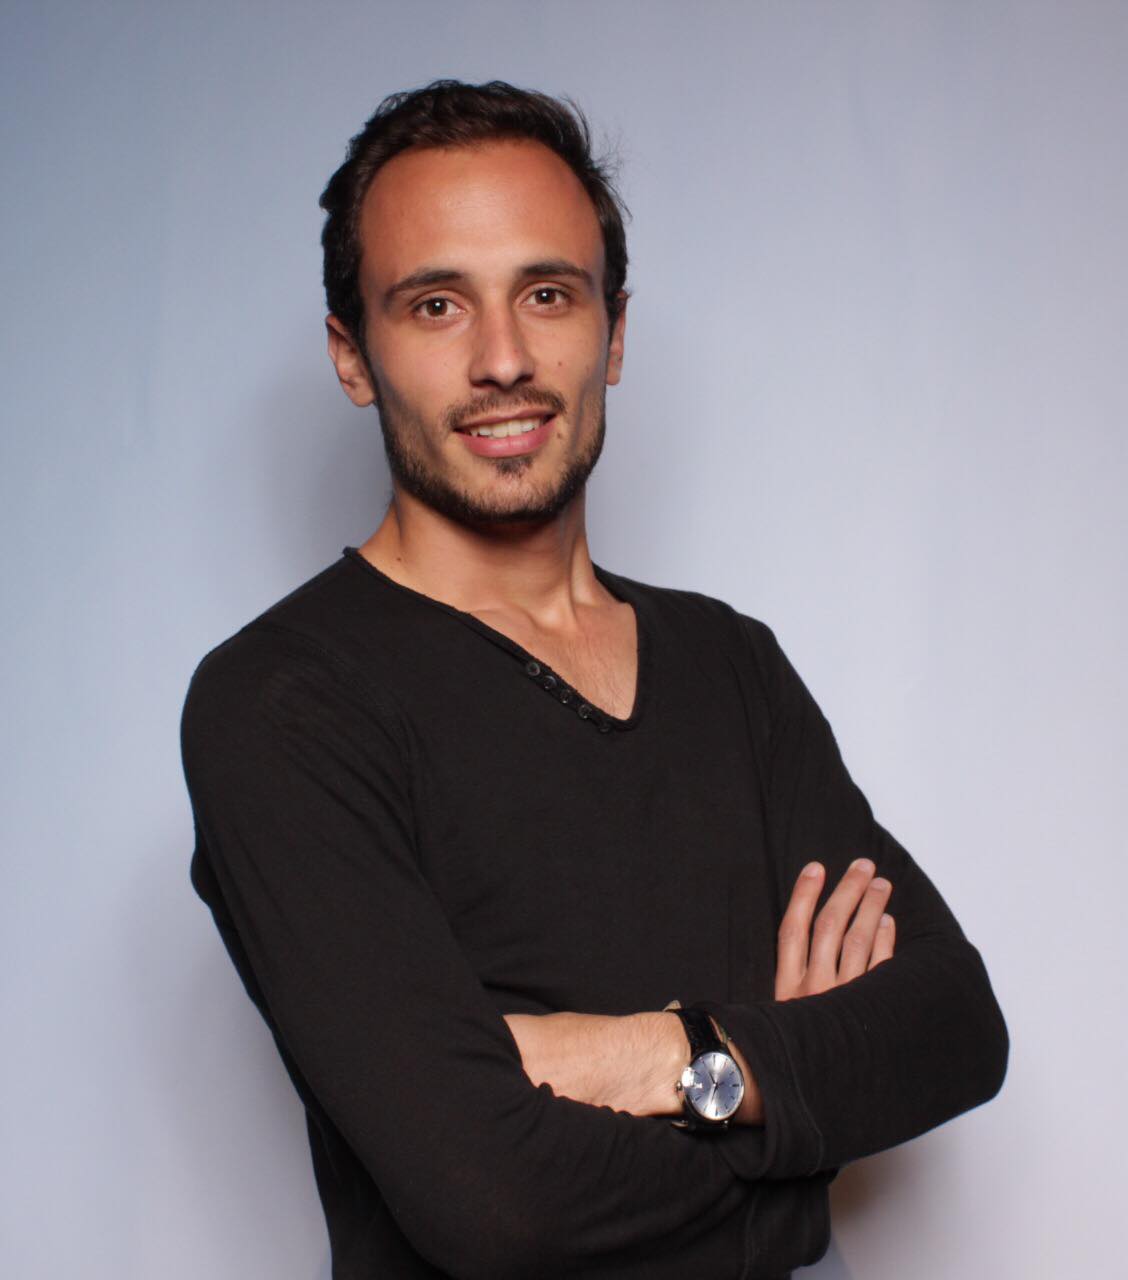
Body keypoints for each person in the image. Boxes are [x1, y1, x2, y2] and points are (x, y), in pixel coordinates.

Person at [180, 79, 1008, 1279]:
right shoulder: (284, 701)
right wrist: (793, 1141)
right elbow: (495, 1204)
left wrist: (644, 1057)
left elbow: (952, 1028)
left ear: (612, 334)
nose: (503, 359)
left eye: (547, 294)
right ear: (352, 355)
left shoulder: (728, 664)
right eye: (435, 305)